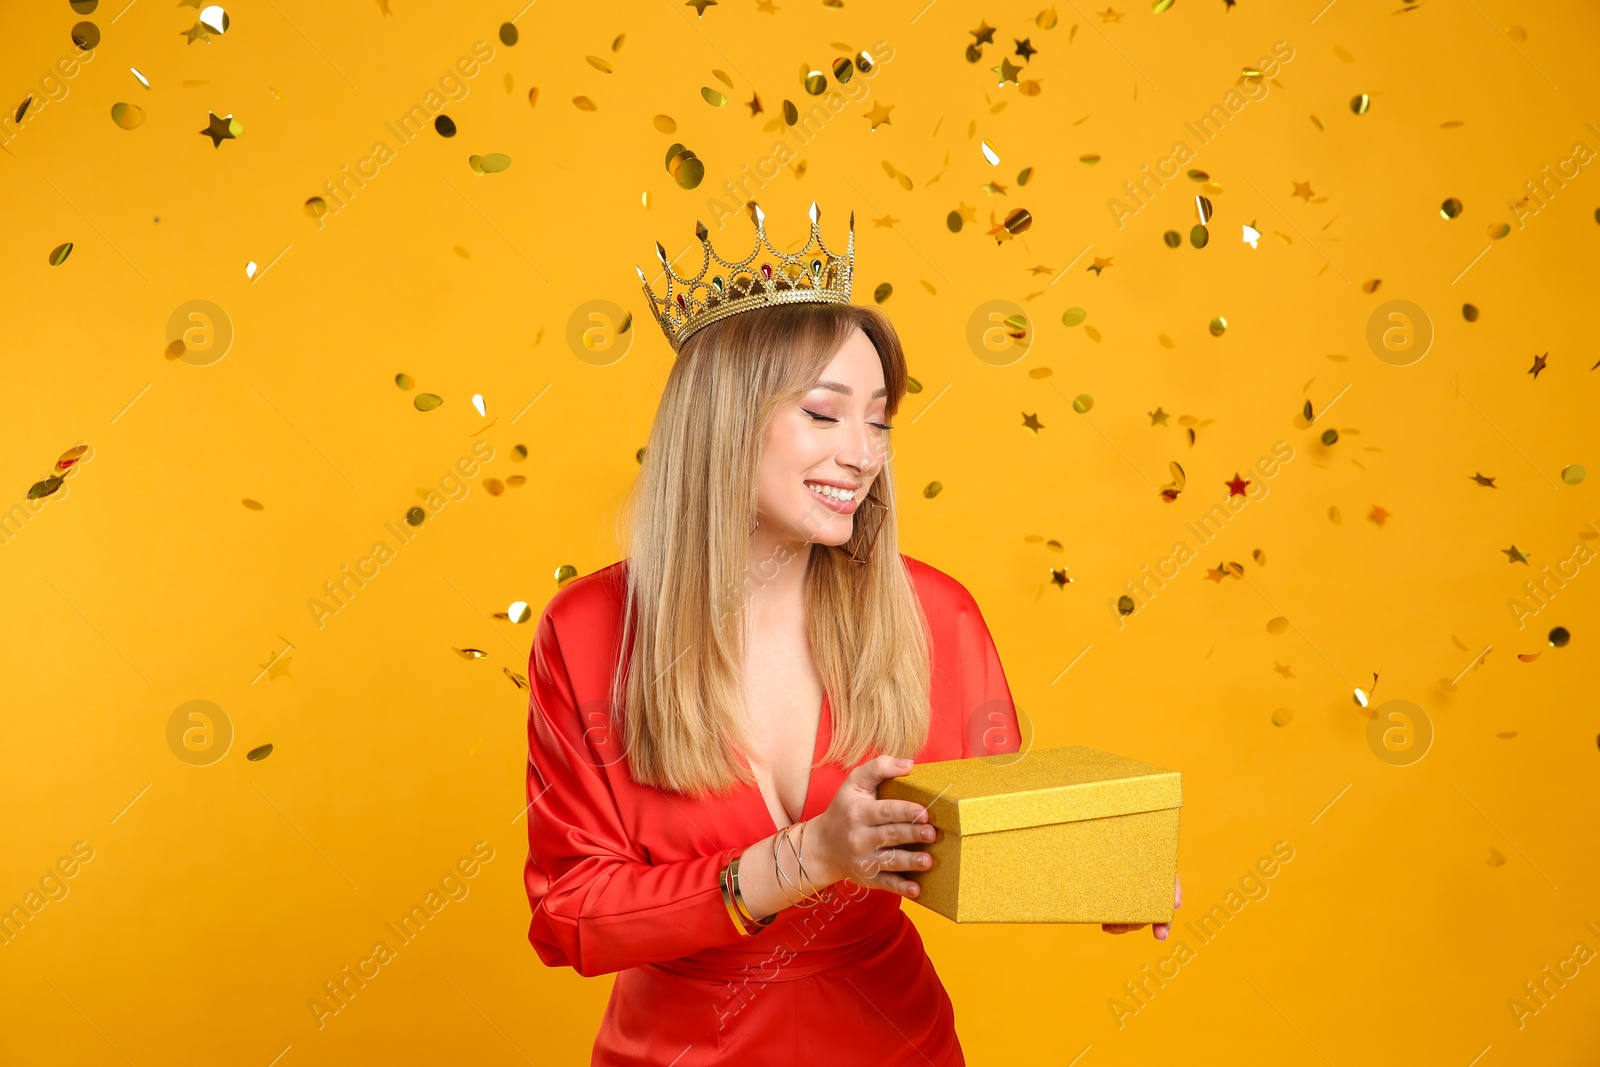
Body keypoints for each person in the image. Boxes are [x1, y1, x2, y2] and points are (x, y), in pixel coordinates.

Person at [522, 204, 1179, 1066]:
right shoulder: (590, 630)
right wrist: (808, 855)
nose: (864, 453)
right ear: (722, 420)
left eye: (879, 419)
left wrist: (1103, 867)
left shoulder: (933, 612)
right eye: (827, 414)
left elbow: (993, 826)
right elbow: (570, 915)